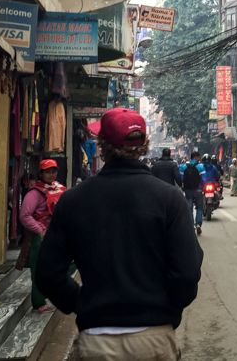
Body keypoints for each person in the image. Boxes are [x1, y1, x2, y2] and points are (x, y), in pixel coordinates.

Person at [36, 108, 202, 361]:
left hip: (96, 340)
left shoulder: (73, 200)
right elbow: (187, 272)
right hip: (155, 338)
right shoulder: (170, 199)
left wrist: (81, 302)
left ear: (102, 146)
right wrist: (167, 308)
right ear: (144, 146)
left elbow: (48, 272)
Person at [17, 159, 66, 313]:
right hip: (40, 236)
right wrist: (40, 229)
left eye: (53, 171)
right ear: (41, 173)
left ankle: (53, 291)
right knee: (39, 269)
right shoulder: (34, 193)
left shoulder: (58, 189)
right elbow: (25, 215)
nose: (51, 175)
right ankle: (38, 303)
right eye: (48, 172)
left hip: (56, 234)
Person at [181, 152, 206, 235]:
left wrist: (183, 188)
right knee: (199, 207)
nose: (199, 159)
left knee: (189, 209)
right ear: (196, 157)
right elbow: (204, 179)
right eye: (199, 157)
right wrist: (202, 188)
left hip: (188, 191)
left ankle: (191, 226)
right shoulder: (201, 166)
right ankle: (198, 224)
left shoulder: (183, 166)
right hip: (198, 191)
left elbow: (180, 179)